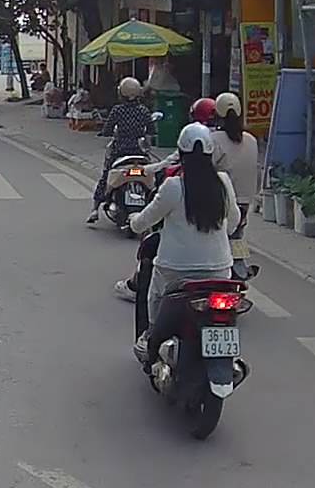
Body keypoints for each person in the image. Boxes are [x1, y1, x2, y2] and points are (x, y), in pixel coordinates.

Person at [129, 123, 241, 364]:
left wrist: (133, 220)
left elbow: (144, 221)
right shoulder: (223, 182)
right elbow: (233, 222)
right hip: (219, 270)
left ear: (181, 153)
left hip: (175, 271)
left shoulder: (173, 186)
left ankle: (150, 337)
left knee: (154, 297)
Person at [88, 76, 153, 224]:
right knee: (154, 177)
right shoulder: (144, 111)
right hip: (140, 152)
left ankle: (95, 209)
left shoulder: (117, 110)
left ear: (121, 93)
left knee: (106, 176)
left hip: (120, 151)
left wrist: (104, 132)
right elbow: (151, 131)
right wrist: (147, 145)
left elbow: (107, 129)